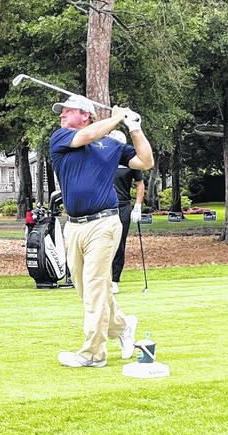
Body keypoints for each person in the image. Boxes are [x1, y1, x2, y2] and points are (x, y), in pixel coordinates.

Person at [49, 95, 153, 368]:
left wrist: (135, 128)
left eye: (68, 111)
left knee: (95, 288)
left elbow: (145, 161)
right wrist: (117, 117)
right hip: (73, 226)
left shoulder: (112, 145)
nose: (62, 115)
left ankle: (93, 354)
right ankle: (122, 327)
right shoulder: (61, 138)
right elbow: (89, 135)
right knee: (87, 290)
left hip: (104, 224)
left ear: (85, 114)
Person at [108, 130, 146, 294]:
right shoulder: (103, 160)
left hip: (123, 207)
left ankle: (115, 280)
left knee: (119, 244)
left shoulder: (130, 162)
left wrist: (137, 206)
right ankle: (100, 280)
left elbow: (140, 183)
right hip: (103, 207)